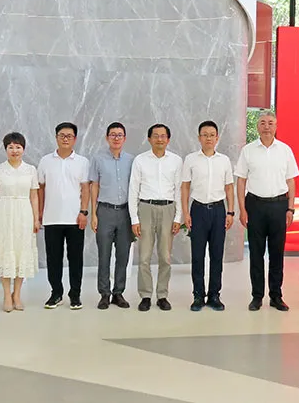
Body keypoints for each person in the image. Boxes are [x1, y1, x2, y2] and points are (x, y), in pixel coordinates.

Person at [236, 110, 299, 312]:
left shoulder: (285, 150)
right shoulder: (248, 151)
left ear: (276, 126)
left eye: (270, 123)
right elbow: (241, 181)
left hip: (279, 206)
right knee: (255, 253)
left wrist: (290, 208)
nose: (266, 126)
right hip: (255, 205)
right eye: (263, 123)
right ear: (257, 126)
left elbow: (291, 181)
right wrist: (242, 209)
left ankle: (276, 296)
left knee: (276, 253)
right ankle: (257, 296)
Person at [181, 120, 235, 311]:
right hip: (198, 210)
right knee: (197, 255)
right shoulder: (191, 159)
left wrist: (230, 211)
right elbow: (185, 187)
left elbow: (229, 187)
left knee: (216, 255)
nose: (208, 138)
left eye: (212, 135)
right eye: (205, 135)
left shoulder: (224, 160)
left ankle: (214, 295)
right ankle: (198, 295)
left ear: (217, 137)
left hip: (219, 211)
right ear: (199, 138)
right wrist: (185, 212)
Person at [129, 123, 183, 311]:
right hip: (145, 208)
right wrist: (134, 219)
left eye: (163, 136)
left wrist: (178, 217)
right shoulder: (140, 160)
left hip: (168, 209)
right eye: (156, 136)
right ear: (149, 139)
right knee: (144, 256)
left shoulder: (176, 161)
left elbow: (179, 190)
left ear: (168, 139)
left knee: (165, 257)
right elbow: (133, 190)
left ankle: (162, 295)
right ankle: (145, 295)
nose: (159, 139)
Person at [0, 132, 41, 312]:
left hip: (24, 213)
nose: (14, 150)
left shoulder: (30, 170)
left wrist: (36, 218)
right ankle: (7, 295)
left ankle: (17, 294)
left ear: (23, 149)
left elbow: (34, 196)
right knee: (5, 251)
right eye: (10, 147)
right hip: (4, 213)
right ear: (5, 149)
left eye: (18, 147)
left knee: (20, 252)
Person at [38, 122, 91, 310]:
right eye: (62, 135)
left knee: (76, 259)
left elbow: (86, 189)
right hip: (51, 217)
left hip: (75, 219)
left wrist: (84, 212)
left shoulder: (82, 162)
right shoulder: (45, 161)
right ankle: (56, 293)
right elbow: (40, 188)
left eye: (69, 136)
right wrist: (39, 213)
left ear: (75, 139)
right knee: (53, 259)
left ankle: (75, 294)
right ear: (56, 138)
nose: (65, 139)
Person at [90, 122, 134, 310]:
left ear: (125, 138)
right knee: (104, 254)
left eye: (119, 135)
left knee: (123, 255)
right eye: (113, 135)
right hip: (105, 211)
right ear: (107, 137)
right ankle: (104, 294)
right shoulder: (98, 159)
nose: (116, 138)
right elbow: (94, 186)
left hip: (125, 212)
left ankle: (118, 293)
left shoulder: (131, 160)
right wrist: (93, 214)